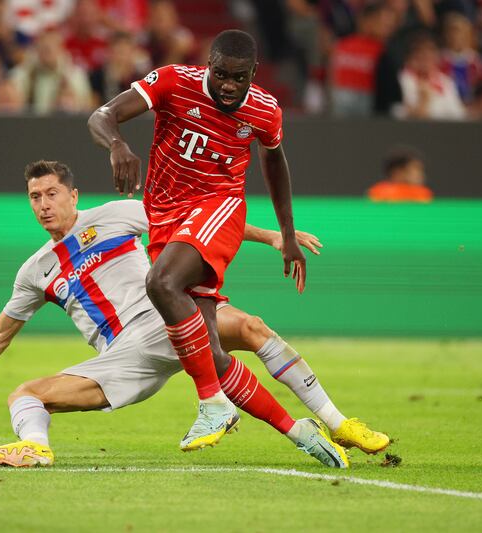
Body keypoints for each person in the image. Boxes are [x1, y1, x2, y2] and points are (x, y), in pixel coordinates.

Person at [0, 160, 390, 468]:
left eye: (51, 194)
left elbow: (194, 226)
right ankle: (37, 449)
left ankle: (328, 423)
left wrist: (274, 237)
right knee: (25, 396)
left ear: (73, 196)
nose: (44, 205)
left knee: (250, 329)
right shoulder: (36, 270)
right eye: (34, 197)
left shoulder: (116, 214)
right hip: (125, 357)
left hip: (163, 314)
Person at [88, 30, 306, 451]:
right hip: (167, 217)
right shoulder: (173, 82)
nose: (227, 85)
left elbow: (274, 161)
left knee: (160, 284)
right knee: (208, 346)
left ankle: (212, 403)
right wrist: (117, 144)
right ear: (208, 64)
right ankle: (301, 431)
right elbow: (102, 115)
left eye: (238, 77)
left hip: (218, 205)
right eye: (220, 73)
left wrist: (287, 234)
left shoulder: (265, 110)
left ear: (253, 74)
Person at [368, 147, 433, 202]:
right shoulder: (378, 194)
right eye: (415, 169)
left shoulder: (423, 194)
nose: (420, 174)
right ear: (398, 172)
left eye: (420, 170)